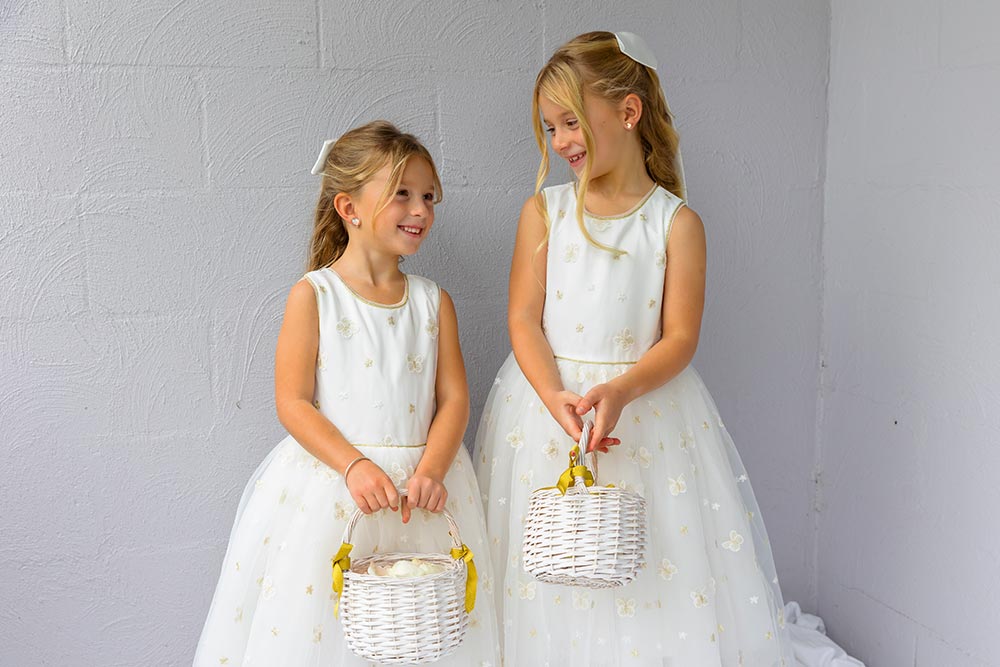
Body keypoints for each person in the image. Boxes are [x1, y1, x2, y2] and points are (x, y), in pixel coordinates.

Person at [473, 31, 796, 666]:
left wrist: (619, 390)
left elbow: (679, 339)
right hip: (546, 407)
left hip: (642, 411)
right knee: (547, 557)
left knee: (647, 562)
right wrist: (551, 397)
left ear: (628, 111)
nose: (560, 140)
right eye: (550, 126)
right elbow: (523, 319)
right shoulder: (545, 212)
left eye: (571, 121)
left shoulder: (675, 223)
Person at [194, 120, 500, 666]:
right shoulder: (315, 295)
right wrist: (354, 466)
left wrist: (433, 469)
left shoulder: (433, 302)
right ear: (348, 207)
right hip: (338, 487)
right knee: (331, 632)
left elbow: (454, 399)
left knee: (422, 628)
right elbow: (292, 401)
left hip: (421, 493)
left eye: (429, 197)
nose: (421, 210)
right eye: (402, 194)